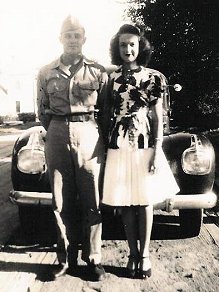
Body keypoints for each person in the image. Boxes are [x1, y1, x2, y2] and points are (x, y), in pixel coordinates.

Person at [102, 24, 179, 279]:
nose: (128, 49)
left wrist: (158, 150)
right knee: (125, 201)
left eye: (132, 44)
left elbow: (157, 117)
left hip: (145, 143)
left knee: (144, 200)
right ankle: (132, 253)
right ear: (117, 48)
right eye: (123, 45)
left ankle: (144, 254)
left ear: (140, 46)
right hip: (118, 145)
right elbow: (105, 115)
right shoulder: (111, 79)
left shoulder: (152, 78)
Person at [37, 15, 108, 281]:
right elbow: (41, 109)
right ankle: (64, 258)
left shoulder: (98, 70)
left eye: (77, 36)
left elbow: (107, 109)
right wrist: (59, 127)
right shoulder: (46, 71)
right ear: (60, 39)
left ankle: (94, 258)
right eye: (68, 36)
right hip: (56, 131)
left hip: (89, 131)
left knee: (92, 197)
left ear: (84, 39)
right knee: (60, 198)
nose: (72, 41)